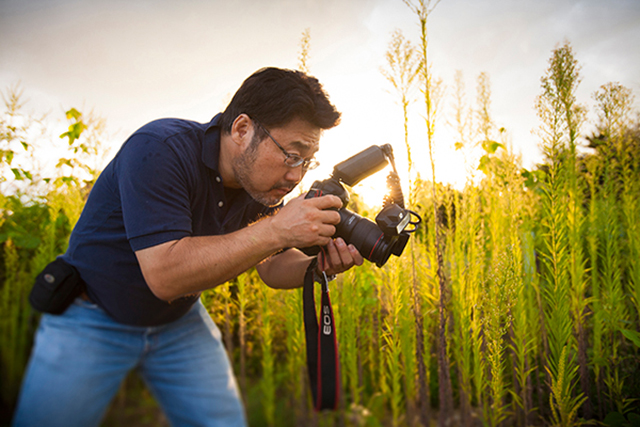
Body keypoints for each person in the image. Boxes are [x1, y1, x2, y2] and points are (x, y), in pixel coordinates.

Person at [12, 67, 364, 427]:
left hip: (178, 322)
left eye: (307, 161)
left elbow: (270, 266)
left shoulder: (261, 184)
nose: (296, 175)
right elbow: (165, 275)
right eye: (292, 154)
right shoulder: (160, 150)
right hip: (93, 316)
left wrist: (316, 267)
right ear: (242, 129)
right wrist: (278, 229)